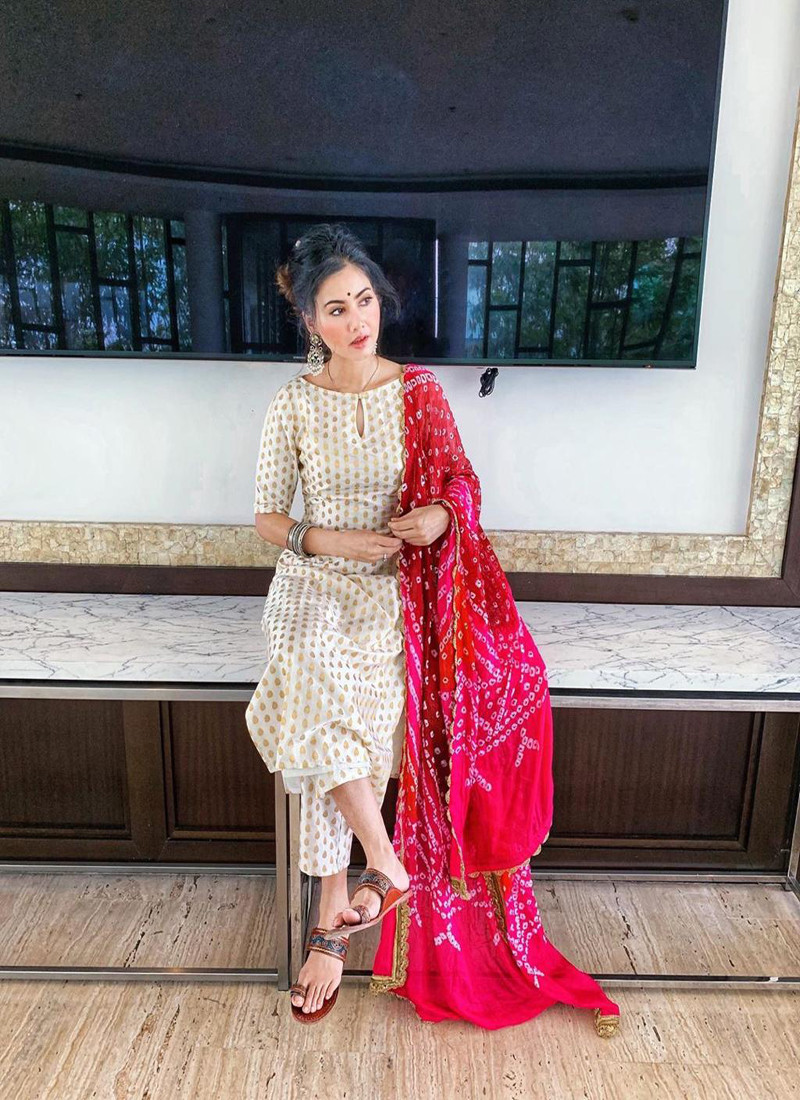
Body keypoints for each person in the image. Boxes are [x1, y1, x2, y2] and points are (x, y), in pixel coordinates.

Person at [246, 223, 620, 1036]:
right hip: (312, 581)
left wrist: (441, 516)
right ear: (309, 319)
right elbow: (267, 517)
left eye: (365, 301)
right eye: (336, 308)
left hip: (397, 589)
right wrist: (326, 540)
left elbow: (462, 483)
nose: (358, 320)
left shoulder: (417, 391)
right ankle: (383, 863)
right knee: (307, 667)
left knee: (338, 713)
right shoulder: (292, 404)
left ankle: (332, 915)